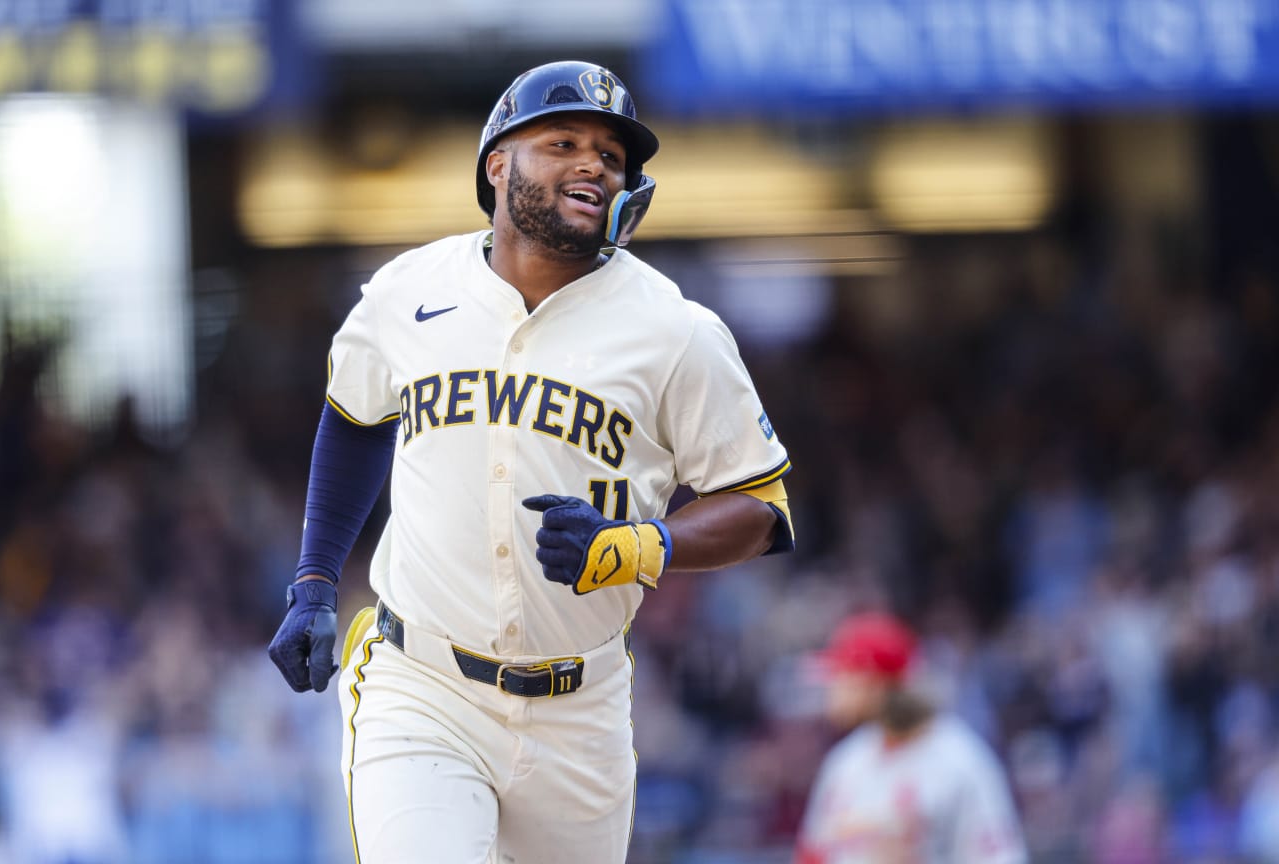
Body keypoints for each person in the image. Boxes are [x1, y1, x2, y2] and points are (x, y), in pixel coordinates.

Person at [267, 59, 795, 864]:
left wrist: (641, 544)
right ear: (498, 164)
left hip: (579, 709)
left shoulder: (675, 330)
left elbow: (763, 507)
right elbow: (354, 419)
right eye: (564, 141)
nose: (593, 162)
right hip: (424, 686)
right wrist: (312, 581)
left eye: (612, 156)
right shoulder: (407, 291)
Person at [796, 612, 1028, 864]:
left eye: (842, 676)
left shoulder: (960, 760)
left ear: (876, 684)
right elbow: (811, 855)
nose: (832, 688)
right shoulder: (845, 762)